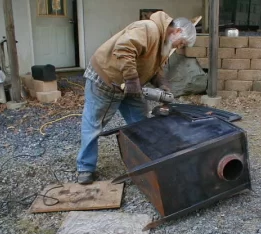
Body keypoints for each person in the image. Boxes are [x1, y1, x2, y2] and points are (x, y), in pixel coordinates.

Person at [76, 11, 197, 184]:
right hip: (105, 79)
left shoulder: (164, 43)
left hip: (130, 84)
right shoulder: (148, 28)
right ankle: (85, 168)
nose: (179, 47)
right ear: (177, 32)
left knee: (141, 122)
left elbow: (153, 67)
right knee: (93, 123)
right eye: (182, 43)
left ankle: (144, 164)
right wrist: (132, 80)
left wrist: (162, 84)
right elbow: (124, 49)